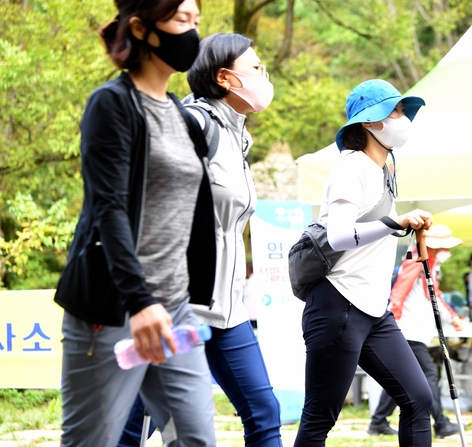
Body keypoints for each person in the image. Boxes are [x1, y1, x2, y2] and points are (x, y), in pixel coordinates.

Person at [53, 1, 219, 445]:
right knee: (91, 441)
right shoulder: (112, 104)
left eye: (196, 22)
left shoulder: (186, 120)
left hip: (173, 310)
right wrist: (139, 300)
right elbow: (107, 208)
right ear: (142, 29)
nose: (192, 33)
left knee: (197, 439)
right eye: (182, 20)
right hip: (114, 308)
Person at [119, 33, 282, 447]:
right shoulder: (194, 124)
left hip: (229, 312)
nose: (265, 76)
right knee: (134, 426)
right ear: (226, 78)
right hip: (178, 308)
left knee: (264, 412)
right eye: (258, 69)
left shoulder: (238, 138)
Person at [295, 79, 434, 447]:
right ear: (370, 123)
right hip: (338, 303)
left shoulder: (385, 170)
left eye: (403, 111)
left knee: (418, 399)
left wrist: (410, 236)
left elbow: (372, 236)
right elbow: (340, 236)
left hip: (374, 308)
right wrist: (396, 223)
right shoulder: (351, 167)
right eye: (396, 111)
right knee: (319, 418)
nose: (403, 118)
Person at [368, 224, 464, 439]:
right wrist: (392, 326)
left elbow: (434, 296)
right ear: (433, 247)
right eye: (442, 248)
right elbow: (398, 294)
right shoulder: (415, 261)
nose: (446, 252)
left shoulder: (430, 264)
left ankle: (378, 421)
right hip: (407, 331)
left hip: (415, 331)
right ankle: (441, 423)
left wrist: (453, 317)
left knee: (401, 377)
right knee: (429, 375)